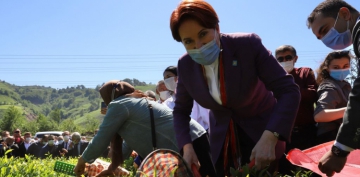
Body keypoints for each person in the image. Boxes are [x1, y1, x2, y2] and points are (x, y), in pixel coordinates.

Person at [169, 0, 300, 175]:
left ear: (216, 27)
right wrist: (187, 147)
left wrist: (271, 137)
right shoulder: (185, 65)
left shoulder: (247, 45)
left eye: (203, 34)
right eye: (188, 41)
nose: (198, 46)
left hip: (262, 134)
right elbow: (180, 111)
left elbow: (288, 91)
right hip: (223, 143)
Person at [74, 80, 215, 177]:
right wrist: (111, 169)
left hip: (188, 142)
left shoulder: (119, 104)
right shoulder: (134, 102)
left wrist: (83, 160)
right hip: (192, 138)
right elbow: (127, 147)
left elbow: (102, 137)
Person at [307, 0, 360, 175]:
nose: (326, 40)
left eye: (325, 30)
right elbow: (320, 115)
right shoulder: (330, 86)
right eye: (320, 37)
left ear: (345, 14)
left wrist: (340, 149)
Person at [275, 45, 318, 174]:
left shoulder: (305, 72)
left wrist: (289, 92)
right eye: (280, 59)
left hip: (307, 132)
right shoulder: (273, 78)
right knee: (286, 169)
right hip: (283, 134)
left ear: (295, 58)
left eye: (288, 57)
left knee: (309, 168)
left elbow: (312, 94)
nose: (285, 61)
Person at [315, 50, 352, 144]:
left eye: (345, 66)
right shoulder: (329, 86)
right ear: (327, 69)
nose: (341, 70)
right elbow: (320, 115)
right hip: (330, 137)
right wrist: (352, 110)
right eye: (336, 67)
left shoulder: (345, 85)